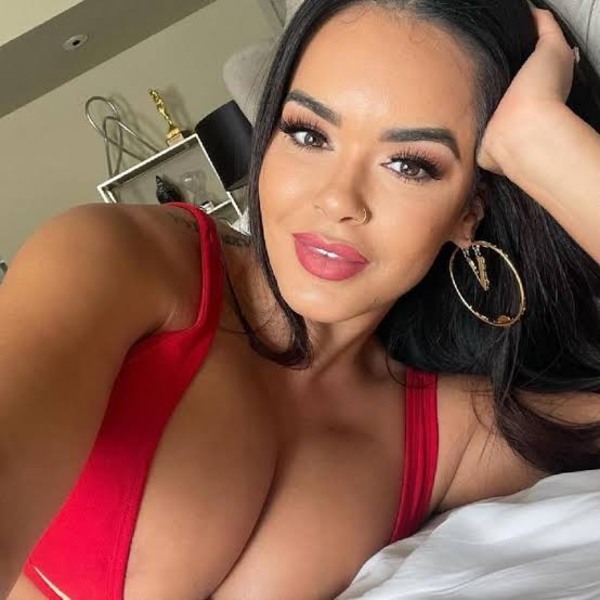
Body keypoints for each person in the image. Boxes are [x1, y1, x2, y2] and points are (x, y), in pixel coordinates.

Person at [2, 0, 599, 598]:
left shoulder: (449, 436)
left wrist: (539, 139)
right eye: (309, 134)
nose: (338, 199)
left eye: (409, 165)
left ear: (469, 211)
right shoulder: (117, 262)